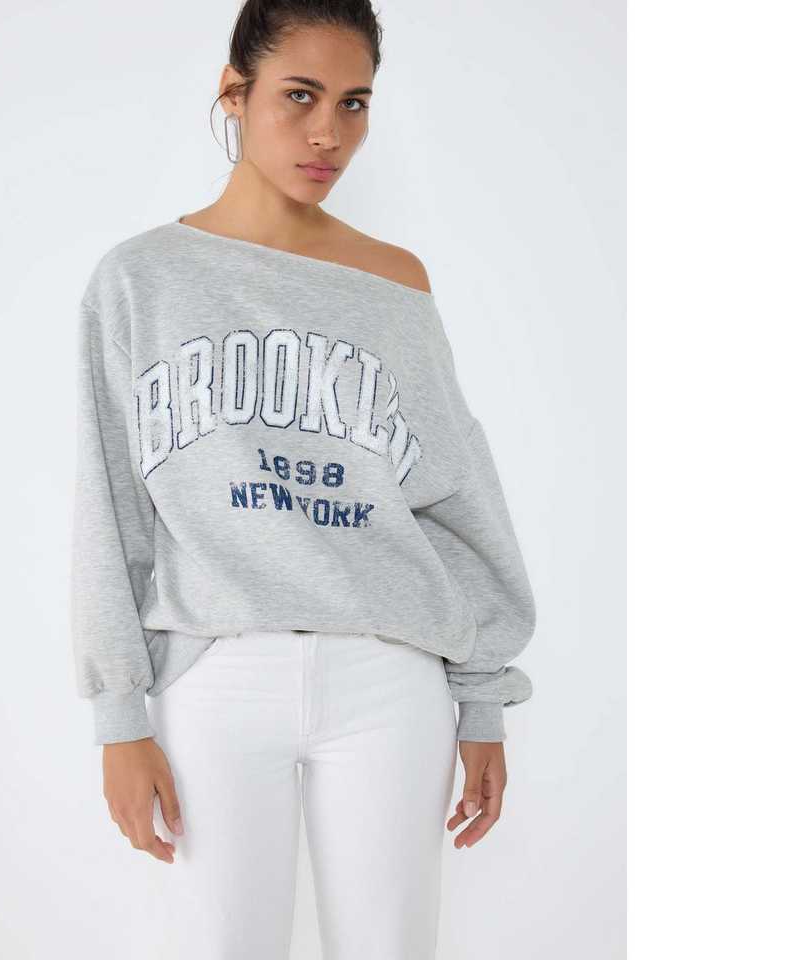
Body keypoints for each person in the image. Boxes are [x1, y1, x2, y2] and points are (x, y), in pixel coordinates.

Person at [69, 1, 537, 956]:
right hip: (214, 675)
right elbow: (110, 503)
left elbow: (456, 490)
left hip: (389, 677)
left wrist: (482, 697)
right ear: (233, 93)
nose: (329, 133)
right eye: (300, 96)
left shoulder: (395, 283)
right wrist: (119, 717)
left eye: (354, 103)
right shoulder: (140, 280)